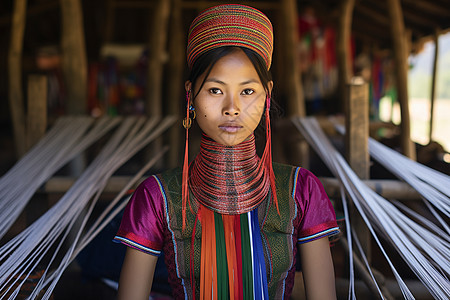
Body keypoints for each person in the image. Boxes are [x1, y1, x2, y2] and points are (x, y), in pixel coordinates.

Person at [114, 4, 339, 299]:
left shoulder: (301, 191)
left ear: (267, 94)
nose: (232, 108)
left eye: (247, 91)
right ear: (190, 94)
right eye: (215, 90)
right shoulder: (158, 197)